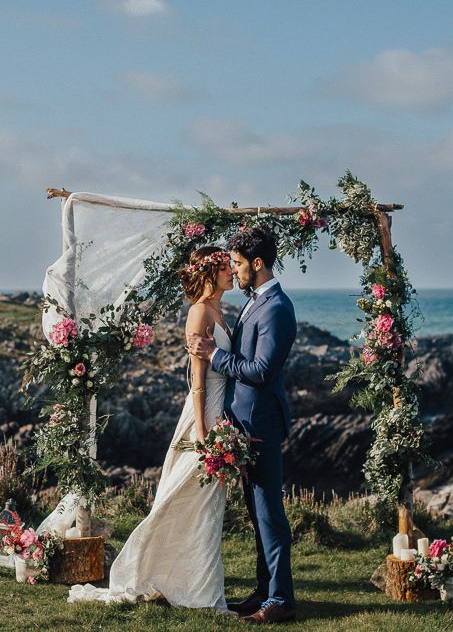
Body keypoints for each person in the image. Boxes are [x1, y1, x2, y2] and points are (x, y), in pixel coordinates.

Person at [68, 246, 235, 613]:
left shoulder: (220, 310)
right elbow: (198, 381)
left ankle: (199, 584)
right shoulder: (199, 313)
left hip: (222, 414)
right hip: (204, 415)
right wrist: (203, 431)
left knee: (206, 502)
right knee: (184, 494)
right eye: (225, 268)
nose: (232, 273)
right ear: (208, 274)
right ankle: (165, 574)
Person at [187, 226, 298, 624]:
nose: (233, 271)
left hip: (262, 425)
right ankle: (264, 591)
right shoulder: (256, 301)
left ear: (257, 263)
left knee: (269, 514)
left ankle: (281, 600)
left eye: (236, 263)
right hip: (245, 424)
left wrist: (216, 355)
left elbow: (261, 371)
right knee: (257, 513)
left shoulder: (277, 309)